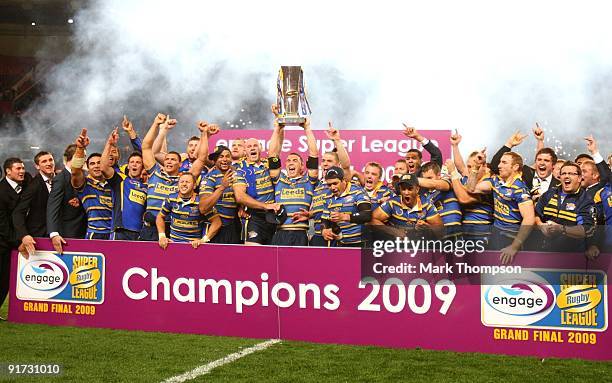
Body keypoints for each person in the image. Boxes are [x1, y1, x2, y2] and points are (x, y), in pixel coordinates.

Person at [140, 113, 213, 241]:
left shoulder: (185, 179)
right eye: (167, 159)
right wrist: (157, 125)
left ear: (180, 164)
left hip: (174, 230)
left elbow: (201, 158)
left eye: (173, 160)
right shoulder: (154, 173)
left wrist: (204, 134)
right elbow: (146, 147)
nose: (168, 161)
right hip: (150, 230)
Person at [467, 152, 535, 264]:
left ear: (515, 167)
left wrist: (514, 247)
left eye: (504, 162)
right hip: (495, 235)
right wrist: (476, 167)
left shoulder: (520, 189)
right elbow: (471, 189)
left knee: (506, 277)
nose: (499, 166)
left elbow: (529, 218)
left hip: (510, 239)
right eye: (500, 162)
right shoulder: (496, 181)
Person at [232, 110, 284, 245]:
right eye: (249, 146)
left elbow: (277, 148)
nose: (252, 148)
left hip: (274, 217)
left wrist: (279, 125)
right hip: (254, 218)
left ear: (260, 148)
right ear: (245, 151)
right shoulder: (240, 170)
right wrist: (265, 206)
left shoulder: (268, 163)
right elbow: (240, 197)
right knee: (253, 256)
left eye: (255, 145)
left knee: (273, 258)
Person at [270, 118, 319, 246]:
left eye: (295, 160)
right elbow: (272, 154)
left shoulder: (308, 180)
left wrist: (307, 128)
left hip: (300, 233)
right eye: (288, 160)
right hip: (280, 232)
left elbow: (314, 154)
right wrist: (277, 128)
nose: (291, 162)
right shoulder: (279, 179)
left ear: (302, 166)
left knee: (299, 266)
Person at [534, 161, 595, 253]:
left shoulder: (585, 200)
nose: (566, 176)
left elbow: (587, 230)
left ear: (579, 178)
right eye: (564, 173)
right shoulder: (549, 194)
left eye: (571, 173)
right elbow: (535, 215)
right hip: (543, 252)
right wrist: (541, 226)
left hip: (570, 256)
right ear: (560, 177)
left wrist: (562, 229)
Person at [309, 122, 352, 246]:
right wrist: (310, 214)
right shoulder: (317, 185)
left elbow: (346, 165)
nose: (325, 163)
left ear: (337, 165)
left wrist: (337, 140)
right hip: (317, 235)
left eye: (329, 161)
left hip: (335, 237)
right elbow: (320, 209)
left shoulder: (342, 181)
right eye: (323, 161)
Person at [100, 128, 147, 240]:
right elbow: (103, 167)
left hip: (140, 233)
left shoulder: (147, 187)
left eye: (138, 162)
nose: (135, 165)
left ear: (142, 166)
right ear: (128, 165)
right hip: (120, 231)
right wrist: (109, 143)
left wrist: (132, 132)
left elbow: (146, 152)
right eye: (132, 162)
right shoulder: (120, 179)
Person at [490, 126, 560, 200]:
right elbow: (495, 166)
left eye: (546, 161)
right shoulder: (525, 173)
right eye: (539, 160)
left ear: (553, 165)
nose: (542, 163)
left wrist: (540, 140)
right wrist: (509, 144)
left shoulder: (559, 185)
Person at [157, 173, 221, 249]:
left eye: (187, 182)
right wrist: (162, 236)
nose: (184, 184)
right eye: (181, 182)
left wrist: (203, 240)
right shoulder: (171, 198)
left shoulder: (201, 202)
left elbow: (217, 222)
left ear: (194, 185)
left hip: (194, 247)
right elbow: (160, 217)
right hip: (173, 245)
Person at [70, 129, 114, 240]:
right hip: (95, 235)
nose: (96, 166)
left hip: (115, 235)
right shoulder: (85, 185)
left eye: (99, 162)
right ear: (88, 168)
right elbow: (75, 171)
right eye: (92, 164)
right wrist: (80, 148)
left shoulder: (114, 184)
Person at [371, 173, 443, 239]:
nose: (406, 192)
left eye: (410, 189)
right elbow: (372, 220)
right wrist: (393, 231)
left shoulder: (427, 205)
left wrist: (427, 227)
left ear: (417, 189)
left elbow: (441, 232)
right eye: (403, 189)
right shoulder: (392, 203)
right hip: (395, 247)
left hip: (419, 247)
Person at [13, 151, 56, 256]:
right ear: (37, 166)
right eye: (44, 161)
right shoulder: (33, 186)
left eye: (50, 160)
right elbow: (18, 212)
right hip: (38, 236)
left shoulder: (61, 179)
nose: (48, 163)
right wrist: (24, 235)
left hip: (59, 234)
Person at [0, 157, 28, 316]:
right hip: (3, 242)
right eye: (18, 169)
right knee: (2, 279)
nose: (22, 171)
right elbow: (2, 225)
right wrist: (18, 242)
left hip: (11, 241)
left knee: (6, 281)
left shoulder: (24, 185)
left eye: (23, 168)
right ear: (8, 171)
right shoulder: (1, 191)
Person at [46, 144, 87, 254]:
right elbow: (52, 206)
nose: (85, 160)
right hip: (68, 234)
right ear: (75, 157)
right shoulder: (61, 179)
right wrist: (53, 233)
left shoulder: (85, 176)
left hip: (84, 231)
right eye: (84, 156)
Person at [320, 166, 372, 247]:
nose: (332, 187)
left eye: (335, 183)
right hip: (341, 244)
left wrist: (345, 217)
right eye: (329, 185)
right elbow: (324, 219)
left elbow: (367, 215)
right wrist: (324, 230)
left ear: (343, 180)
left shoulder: (358, 191)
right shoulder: (327, 196)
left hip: (361, 243)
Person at [198, 146, 240, 244]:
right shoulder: (209, 178)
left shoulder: (238, 175)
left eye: (227, 156)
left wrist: (242, 207)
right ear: (215, 160)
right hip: (213, 228)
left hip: (233, 228)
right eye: (221, 157)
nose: (224, 159)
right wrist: (222, 187)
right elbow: (203, 208)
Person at [419, 162, 463, 240]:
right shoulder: (425, 197)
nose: (427, 182)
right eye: (424, 179)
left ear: (439, 175)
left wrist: (412, 179)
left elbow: (436, 184)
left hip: (453, 233)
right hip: (438, 237)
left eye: (429, 178)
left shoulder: (448, 181)